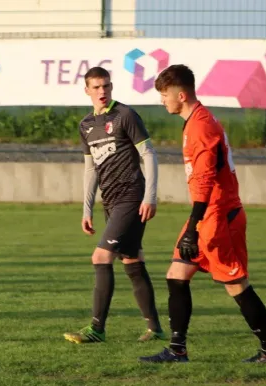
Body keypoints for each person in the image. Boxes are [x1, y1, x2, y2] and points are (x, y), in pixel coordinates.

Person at [139, 64, 266, 363]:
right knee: (177, 274)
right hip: (208, 214)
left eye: (164, 95)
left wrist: (192, 227)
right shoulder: (198, 120)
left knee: (237, 284)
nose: (162, 101)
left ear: (181, 95)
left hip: (219, 217)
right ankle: (177, 350)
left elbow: (205, 180)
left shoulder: (200, 126)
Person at [63, 66, 165, 344]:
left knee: (100, 257)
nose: (102, 92)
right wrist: (87, 209)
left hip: (132, 196)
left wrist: (150, 196)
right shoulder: (86, 125)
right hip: (110, 201)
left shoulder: (125, 115)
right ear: (87, 90)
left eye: (106, 86)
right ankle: (155, 328)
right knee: (132, 260)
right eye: (96, 87)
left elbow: (149, 154)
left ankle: (97, 328)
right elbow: (90, 169)